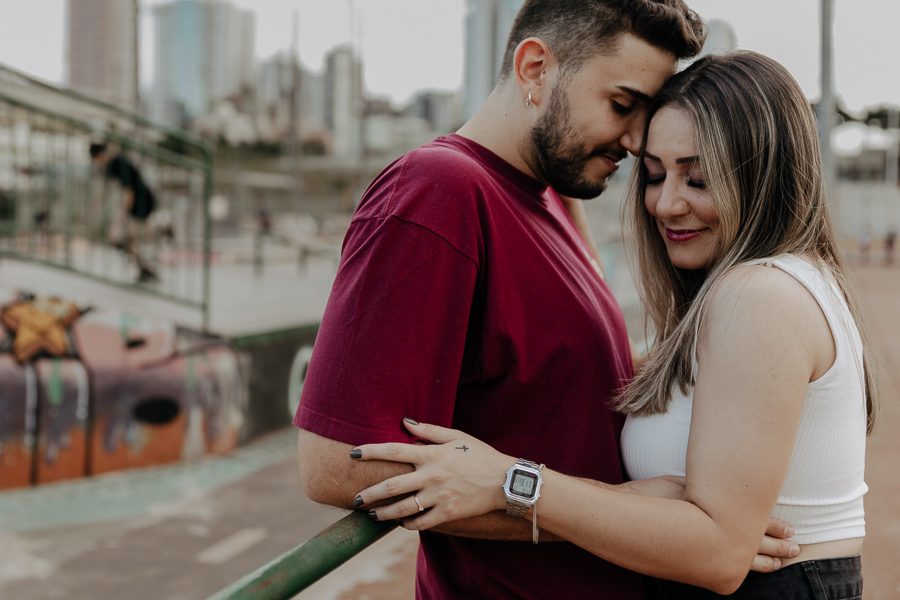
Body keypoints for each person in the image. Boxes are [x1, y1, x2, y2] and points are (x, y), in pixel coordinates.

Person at [295, 3, 795, 599]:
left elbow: (557, 386)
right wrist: (618, 505)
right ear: (535, 69)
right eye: (621, 105)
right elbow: (334, 461)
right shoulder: (437, 190)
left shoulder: (557, 200)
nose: (637, 141)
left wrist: (700, 520)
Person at [89, 142, 159, 283]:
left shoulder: (120, 163)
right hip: (135, 205)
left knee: (122, 237)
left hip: (142, 203)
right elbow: (106, 190)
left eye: (96, 160)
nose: (97, 164)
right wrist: (93, 207)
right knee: (122, 239)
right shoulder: (110, 167)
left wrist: (120, 218)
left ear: (99, 155)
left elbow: (129, 194)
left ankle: (148, 266)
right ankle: (145, 268)